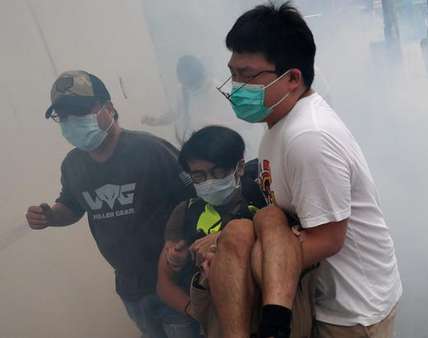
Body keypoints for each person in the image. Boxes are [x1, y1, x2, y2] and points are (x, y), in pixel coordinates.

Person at [206, 3, 403, 338]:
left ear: (293, 78)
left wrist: (236, 265)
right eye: (233, 73)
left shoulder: (308, 137)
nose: (236, 86)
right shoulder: (279, 124)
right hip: (318, 297)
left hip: (350, 314)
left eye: (248, 75)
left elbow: (327, 239)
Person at [25, 70, 200, 338]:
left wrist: (184, 243)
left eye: (79, 110)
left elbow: (195, 201)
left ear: (108, 108)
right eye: (64, 116)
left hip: (175, 282)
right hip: (131, 289)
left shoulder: (150, 150)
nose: (72, 121)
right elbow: (71, 206)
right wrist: (50, 216)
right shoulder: (73, 165)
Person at [157, 126, 314, 338]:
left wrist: (222, 239)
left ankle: (275, 320)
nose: (209, 182)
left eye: (217, 172)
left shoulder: (266, 195)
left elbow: (303, 240)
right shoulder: (186, 213)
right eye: (199, 176)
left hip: (278, 305)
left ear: (239, 167)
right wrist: (196, 311)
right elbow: (164, 282)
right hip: (222, 312)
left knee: (259, 222)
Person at [143, 55, 263, 159]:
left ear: (202, 76)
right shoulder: (184, 90)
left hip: (225, 148)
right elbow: (176, 112)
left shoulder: (221, 90)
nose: (191, 87)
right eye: (186, 83)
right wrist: (157, 121)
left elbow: (248, 121)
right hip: (201, 150)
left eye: (193, 84)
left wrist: (216, 124)